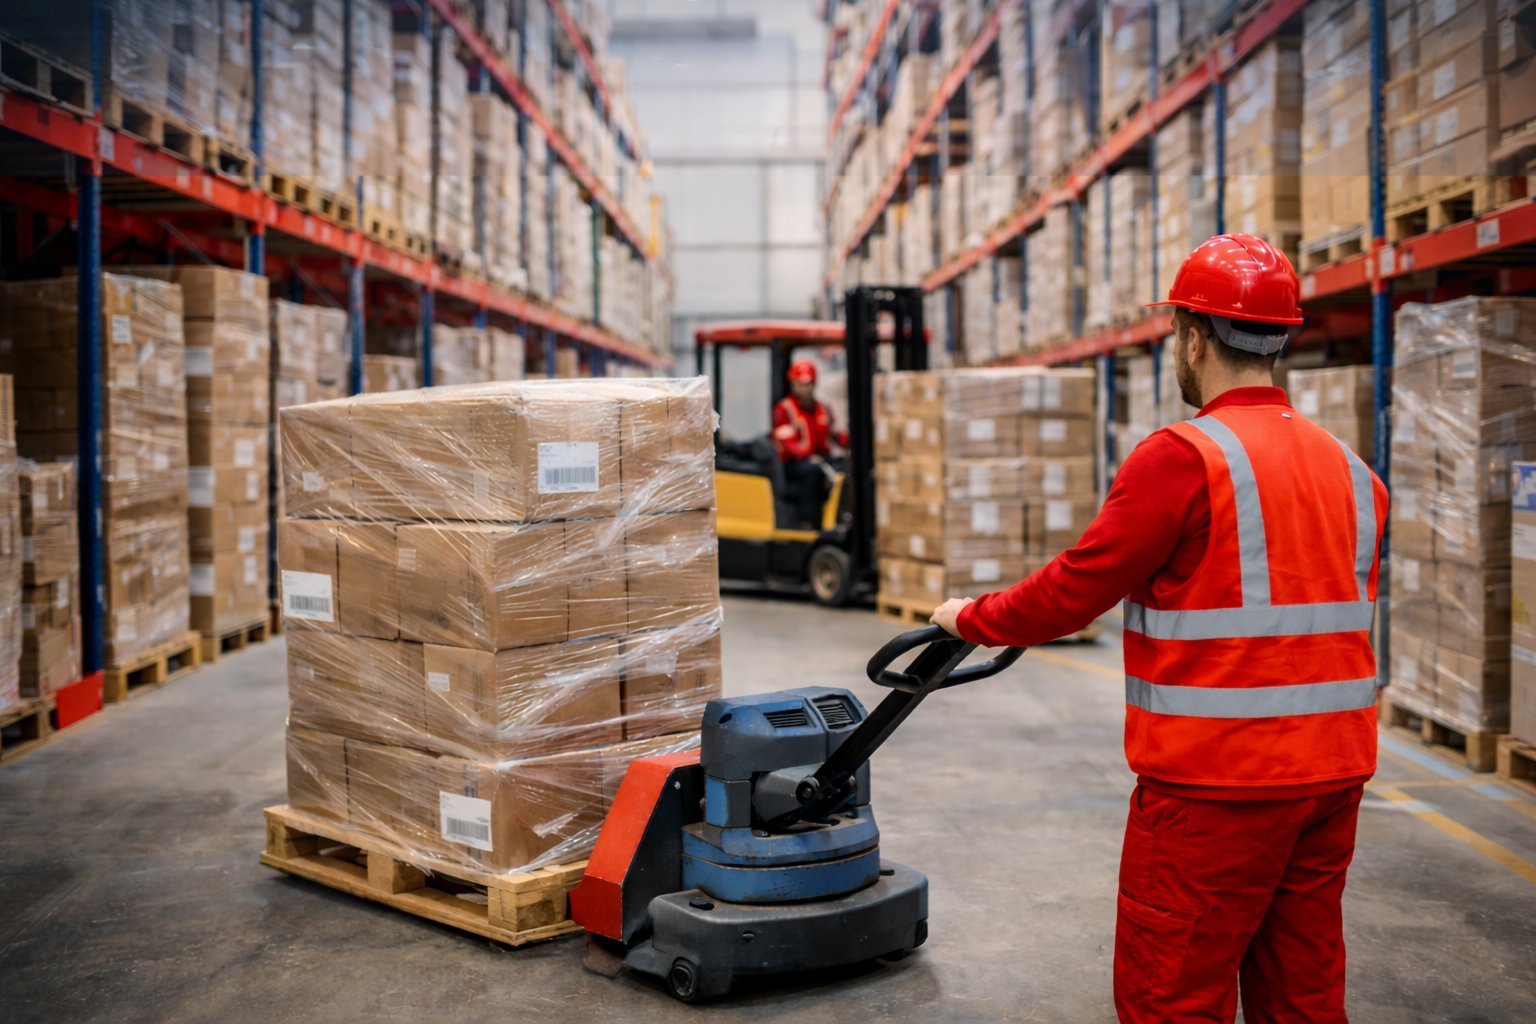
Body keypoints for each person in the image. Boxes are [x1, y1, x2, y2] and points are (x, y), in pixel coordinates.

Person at [931, 234, 1388, 1023]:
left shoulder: (1182, 458)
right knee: (1303, 991)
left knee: (1171, 993)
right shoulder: (1354, 471)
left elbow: (1079, 586)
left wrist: (972, 619)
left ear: (1193, 337)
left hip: (1217, 790)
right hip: (1332, 777)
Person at [772, 360, 843, 527]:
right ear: (793, 384)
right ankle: (808, 521)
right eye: (802, 384)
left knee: (844, 468)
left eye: (810, 384)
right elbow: (790, 444)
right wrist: (811, 458)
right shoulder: (785, 410)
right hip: (794, 463)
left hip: (820, 458)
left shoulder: (823, 408)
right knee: (812, 472)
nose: (806, 389)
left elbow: (834, 435)